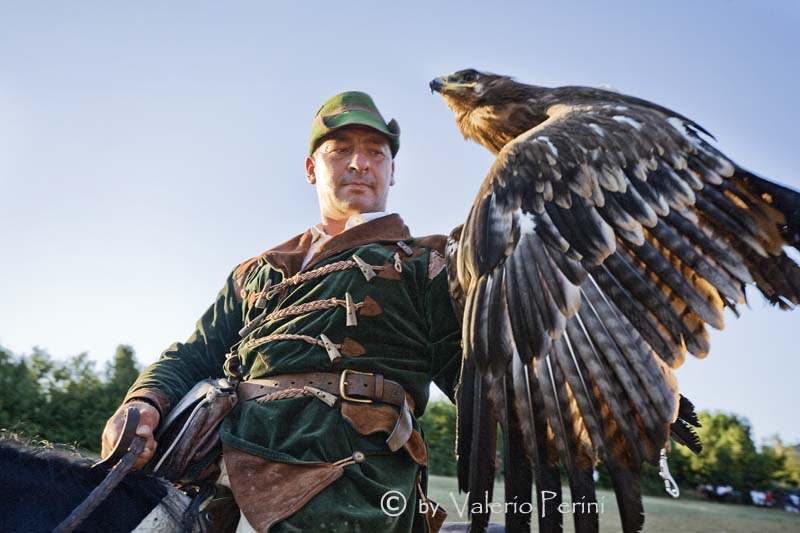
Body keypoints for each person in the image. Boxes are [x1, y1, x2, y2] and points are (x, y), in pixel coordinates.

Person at [101, 91, 462, 532]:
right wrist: (142, 402)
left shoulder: (427, 264)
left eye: (375, 153)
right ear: (312, 168)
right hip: (219, 474)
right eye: (340, 150)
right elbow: (193, 355)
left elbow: (478, 377)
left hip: (352, 489)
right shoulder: (256, 271)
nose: (359, 163)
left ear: (392, 171)